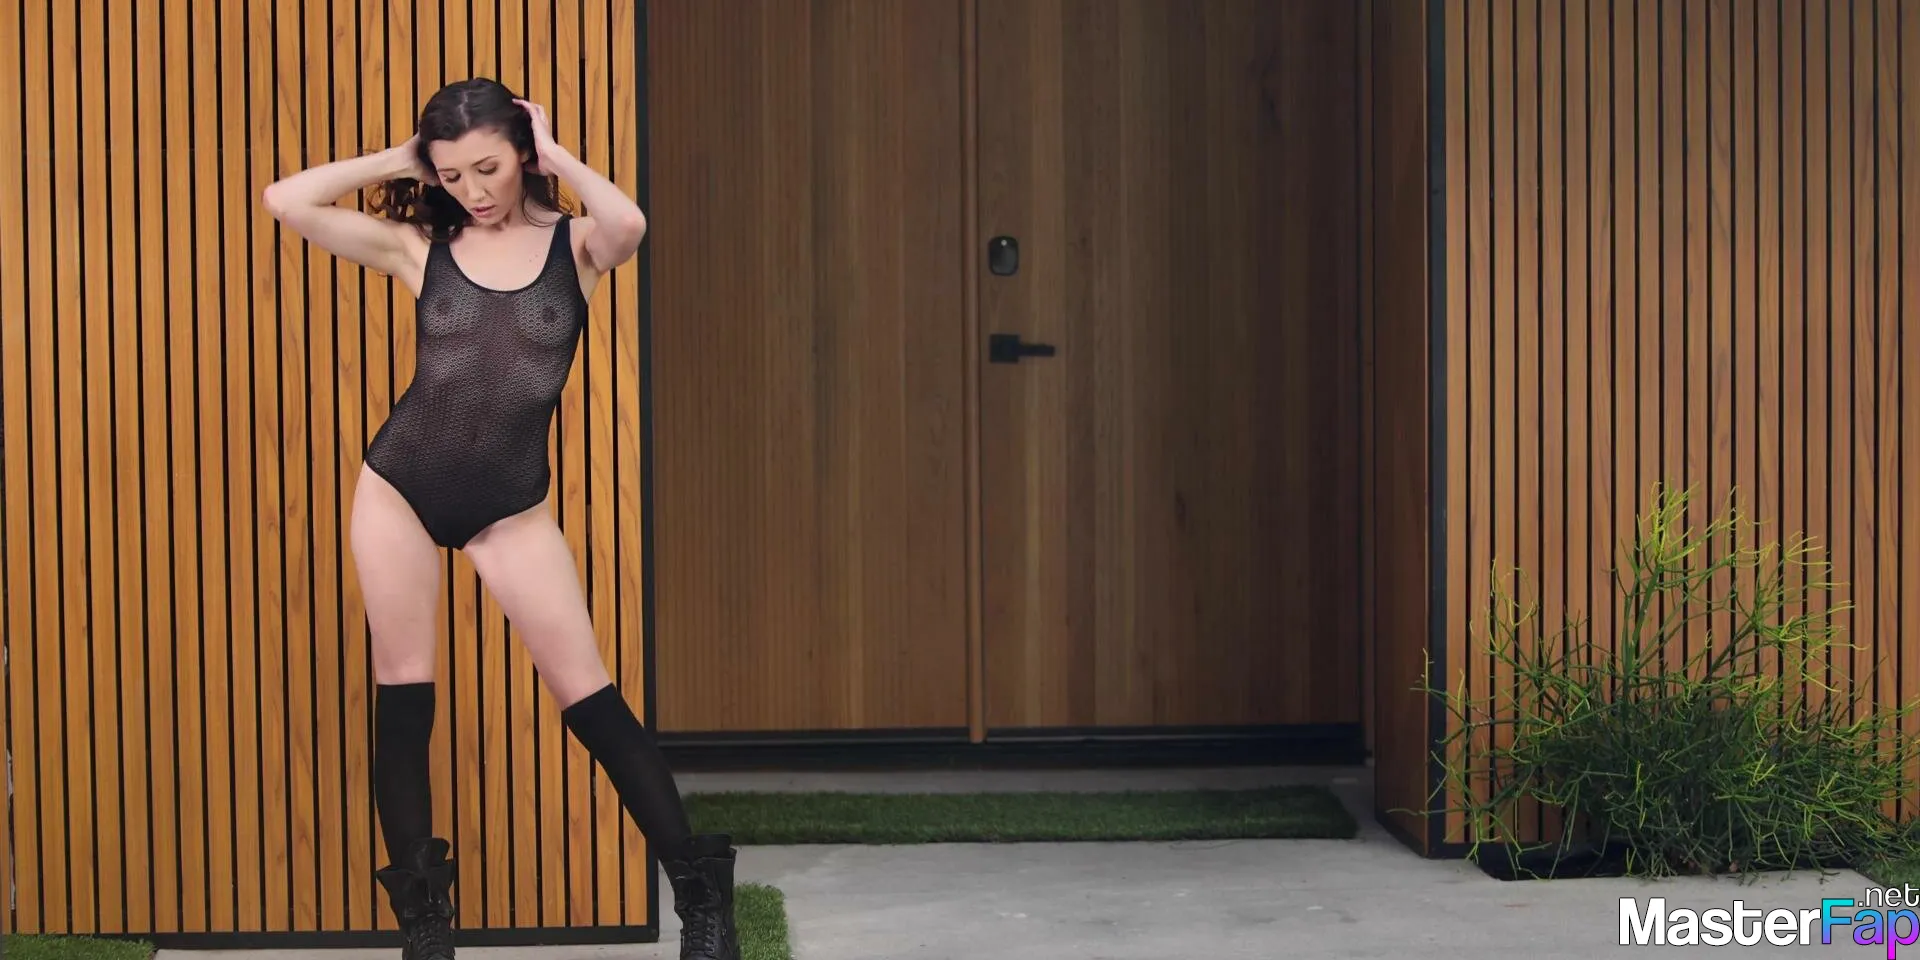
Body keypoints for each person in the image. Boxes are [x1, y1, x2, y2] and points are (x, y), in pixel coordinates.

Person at [262, 78, 739, 960]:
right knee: (404, 696)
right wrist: (401, 159)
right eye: (452, 176)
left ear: (522, 151)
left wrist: (557, 157)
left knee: (591, 700)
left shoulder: (578, 247)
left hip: (510, 504)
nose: (473, 191)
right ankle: (427, 931)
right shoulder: (421, 248)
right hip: (398, 488)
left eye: (488, 167)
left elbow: (629, 223)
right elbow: (285, 201)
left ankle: (704, 906)